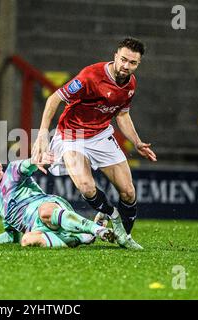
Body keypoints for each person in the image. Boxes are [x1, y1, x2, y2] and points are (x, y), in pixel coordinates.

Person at [32, 37, 157, 250]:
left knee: (128, 192)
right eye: (123, 60)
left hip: (100, 136)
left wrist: (136, 142)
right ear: (115, 56)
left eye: (133, 63)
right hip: (72, 136)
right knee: (86, 186)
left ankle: (124, 237)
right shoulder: (90, 76)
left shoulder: (131, 84)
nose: (126, 66)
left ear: (138, 64)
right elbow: (54, 98)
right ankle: (112, 215)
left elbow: (123, 115)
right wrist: (43, 134)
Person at [0, 155, 128, 248]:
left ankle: (96, 229)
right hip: (39, 229)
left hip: (49, 208)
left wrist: (35, 160)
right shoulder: (0, 205)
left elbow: (27, 165)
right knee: (27, 240)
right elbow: (11, 237)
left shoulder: (12, 171)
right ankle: (81, 238)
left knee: (44, 212)